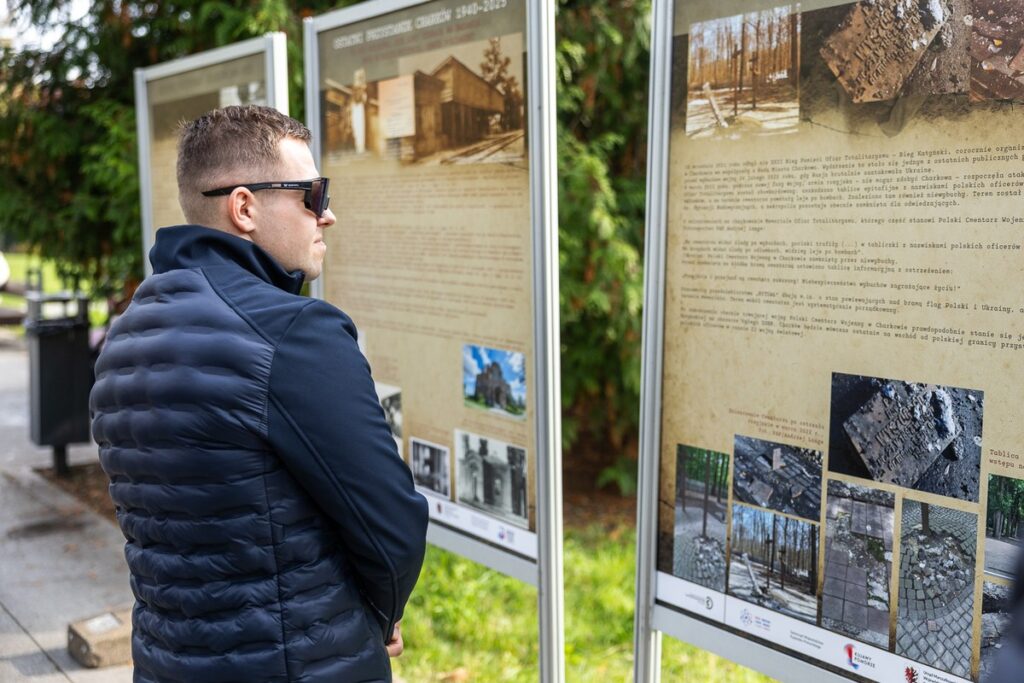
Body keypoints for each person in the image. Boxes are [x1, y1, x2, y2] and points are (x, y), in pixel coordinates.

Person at [89, 105, 428, 683]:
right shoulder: (295, 332)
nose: (328, 215)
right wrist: (383, 610)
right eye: (314, 195)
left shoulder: (127, 333)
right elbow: (389, 523)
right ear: (244, 207)